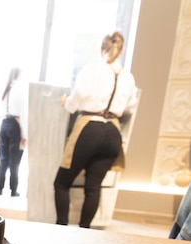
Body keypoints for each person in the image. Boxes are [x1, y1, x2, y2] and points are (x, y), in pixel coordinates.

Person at [54, 31, 138, 228]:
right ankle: (85, 231)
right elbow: (129, 107)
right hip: (113, 133)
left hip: (89, 129)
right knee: (93, 186)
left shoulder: (92, 69)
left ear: (101, 49)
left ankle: (61, 228)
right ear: (121, 50)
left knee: (61, 182)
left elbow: (78, 97)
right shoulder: (128, 77)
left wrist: (67, 104)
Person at [0, 67, 28, 197]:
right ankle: (13, 190)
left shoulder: (5, 90)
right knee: (15, 160)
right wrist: (25, 135)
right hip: (15, 124)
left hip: (4, 124)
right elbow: (24, 115)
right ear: (19, 74)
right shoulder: (20, 90)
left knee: (3, 159)